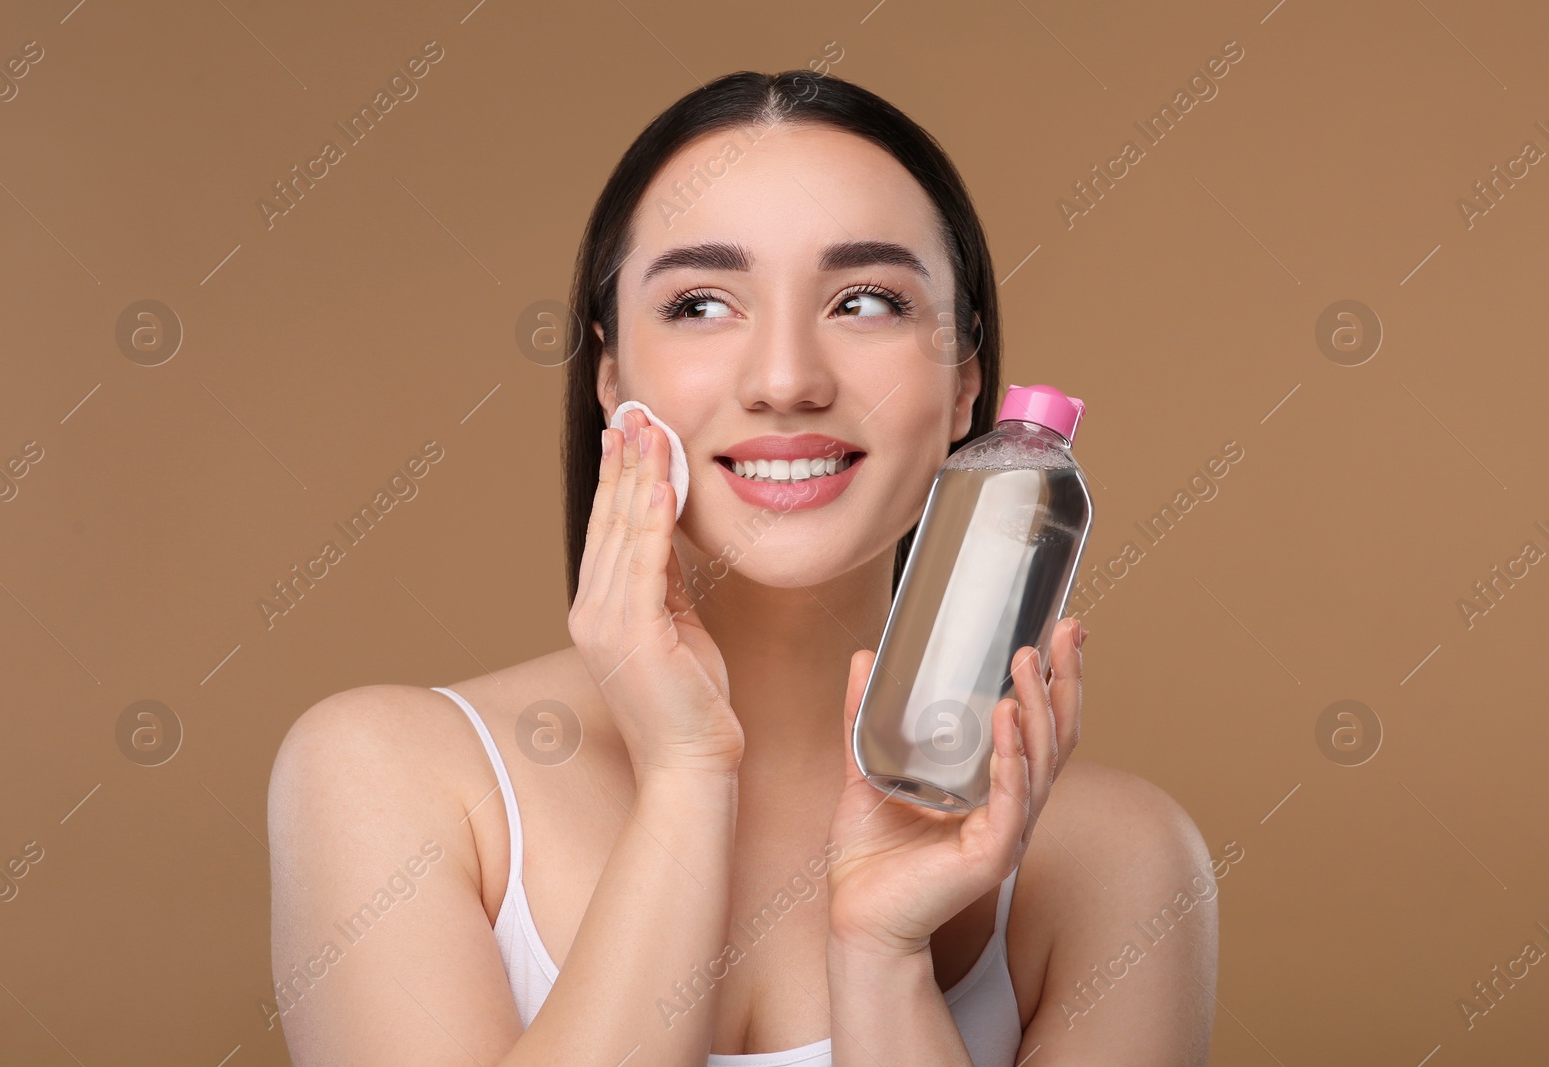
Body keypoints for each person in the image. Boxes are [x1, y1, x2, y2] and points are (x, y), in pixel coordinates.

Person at [267, 69, 1218, 1066]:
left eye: (864, 300)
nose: (785, 380)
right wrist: (686, 777)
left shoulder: (1117, 863)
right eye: (700, 304)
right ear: (610, 378)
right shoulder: (391, 775)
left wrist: (884, 953)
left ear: (965, 382)